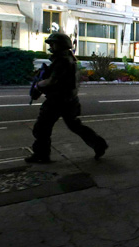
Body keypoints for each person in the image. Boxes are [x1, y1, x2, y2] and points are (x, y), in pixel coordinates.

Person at [25, 33, 108, 163]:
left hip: (57, 101)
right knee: (75, 126)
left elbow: (52, 81)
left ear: (61, 45)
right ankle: (99, 144)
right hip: (69, 100)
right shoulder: (68, 58)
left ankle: (41, 154)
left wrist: (38, 85)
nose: (51, 46)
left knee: (41, 128)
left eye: (53, 44)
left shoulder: (62, 61)